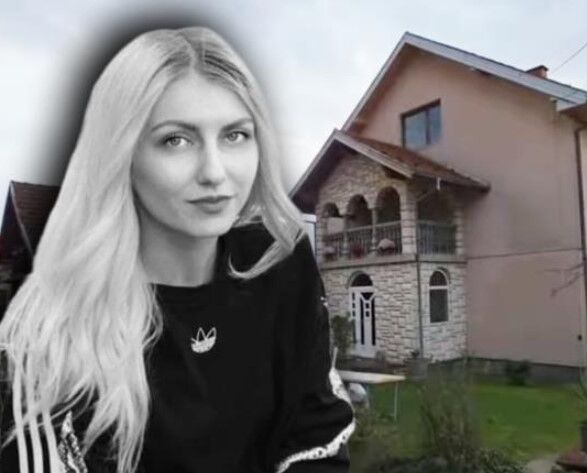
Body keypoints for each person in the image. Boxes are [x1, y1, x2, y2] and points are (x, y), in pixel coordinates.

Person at [0, 26, 355, 473]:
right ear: (121, 155)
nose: (214, 172)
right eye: (176, 140)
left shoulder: (278, 258)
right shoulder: (55, 328)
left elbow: (316, 432)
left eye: (234, 135)